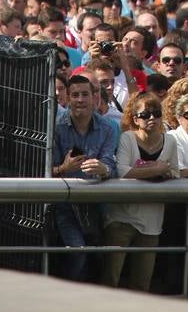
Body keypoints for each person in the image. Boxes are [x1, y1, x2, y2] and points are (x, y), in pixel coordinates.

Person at [102, 92, 178, 291]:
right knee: (111, 278)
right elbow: (123, 171)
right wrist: (158, 169)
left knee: (142, 284)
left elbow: (175, 173)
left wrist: (152, 171)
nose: (152, 118)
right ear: (136, 119)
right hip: (121, 219)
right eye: (145, 115)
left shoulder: (170, 141)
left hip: (152, 222)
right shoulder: (127, 138)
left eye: (156, 113)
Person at [52, 74, 117, 281]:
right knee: (78, 253)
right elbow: (44, 171)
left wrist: (103, 169)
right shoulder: (56, 127)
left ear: (94, 97)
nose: (80, 100)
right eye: (75, 95)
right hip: (65, 205)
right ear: (68, 99)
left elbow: (111, 165)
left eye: (85, 94)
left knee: (97, 261)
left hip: (96, 206)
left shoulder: (107, 127)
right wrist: (64, 167)